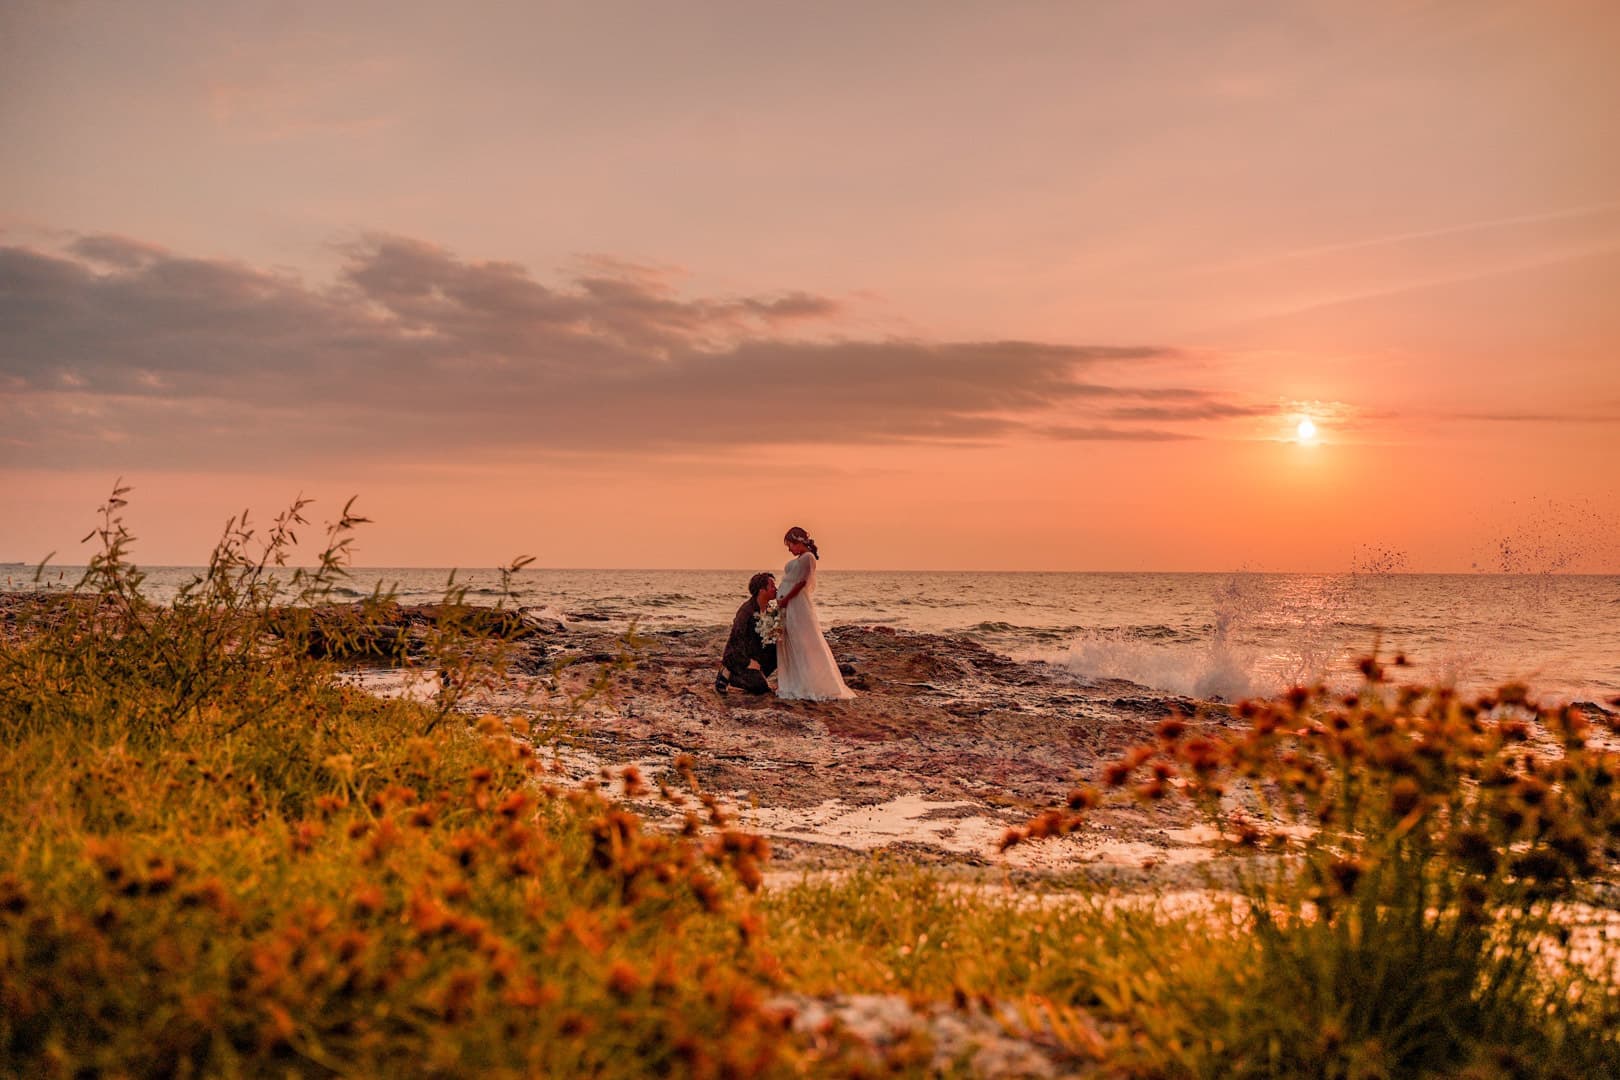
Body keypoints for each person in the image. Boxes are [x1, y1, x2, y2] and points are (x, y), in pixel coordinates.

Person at [775, 526, 856, 701]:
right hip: (787, 604)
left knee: (803, 640)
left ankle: (811, 682)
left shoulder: (808, 557)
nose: (789, 549)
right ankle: (795, 679)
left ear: (798, 542)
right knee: (791, 639)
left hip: (796, 605)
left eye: (790, 544)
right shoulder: (800, 558)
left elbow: (801, 584)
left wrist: (786, 599)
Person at [715, 572, 779, 695]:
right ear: (761, 590)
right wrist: (748, 662)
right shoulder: (746, 611)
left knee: (779, 649)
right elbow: (736, 641)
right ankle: (728, 674)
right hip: (738, 659)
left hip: (756, 655)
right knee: (761, 688)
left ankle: (756, 676)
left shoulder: (769, 609)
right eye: (772, 586)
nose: (775, 589)